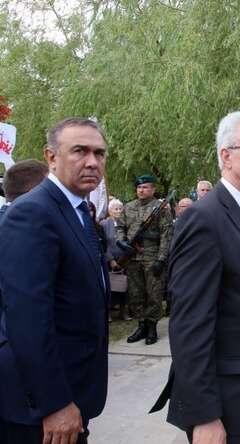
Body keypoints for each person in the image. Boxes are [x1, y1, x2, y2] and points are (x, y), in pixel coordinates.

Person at [151, 109, 240, 444]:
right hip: (225, 402)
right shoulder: (205, 219)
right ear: (226, 156)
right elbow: (190, 324)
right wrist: (204, 414)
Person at [0, 117, 109, 444]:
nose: (92, 162)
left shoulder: (76, 210)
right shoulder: (33, 212)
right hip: (40, 408)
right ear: (51, 157)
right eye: (80, 151)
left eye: (99, 153)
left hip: (74, 389)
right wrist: (54, 403)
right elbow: (27, 318)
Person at [116, 175, 173, 345]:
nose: (141, 190)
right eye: (139, 187)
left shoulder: (161, 208)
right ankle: (141, 325)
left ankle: (152, 327)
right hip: (132, 257)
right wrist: (121, 241)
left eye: (146, 187)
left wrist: (161, 259)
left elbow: (166, 235)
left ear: (153, 189)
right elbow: (120, 227)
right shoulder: (128, 207)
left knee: (154, 294)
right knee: (135, 294)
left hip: (152, 256)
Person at [101, 198, 131, 322]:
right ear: (110, 211)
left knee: (124, 286)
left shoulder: (125, 224)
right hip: (110, 260)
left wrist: (125, 258)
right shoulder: (104, 224)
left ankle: (123, 312)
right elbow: (104, 244)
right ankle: (108, 312)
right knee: (110, 287)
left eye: (120, 209)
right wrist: (111, 260)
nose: (118, 211)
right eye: (116, 209)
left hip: (124, 259)